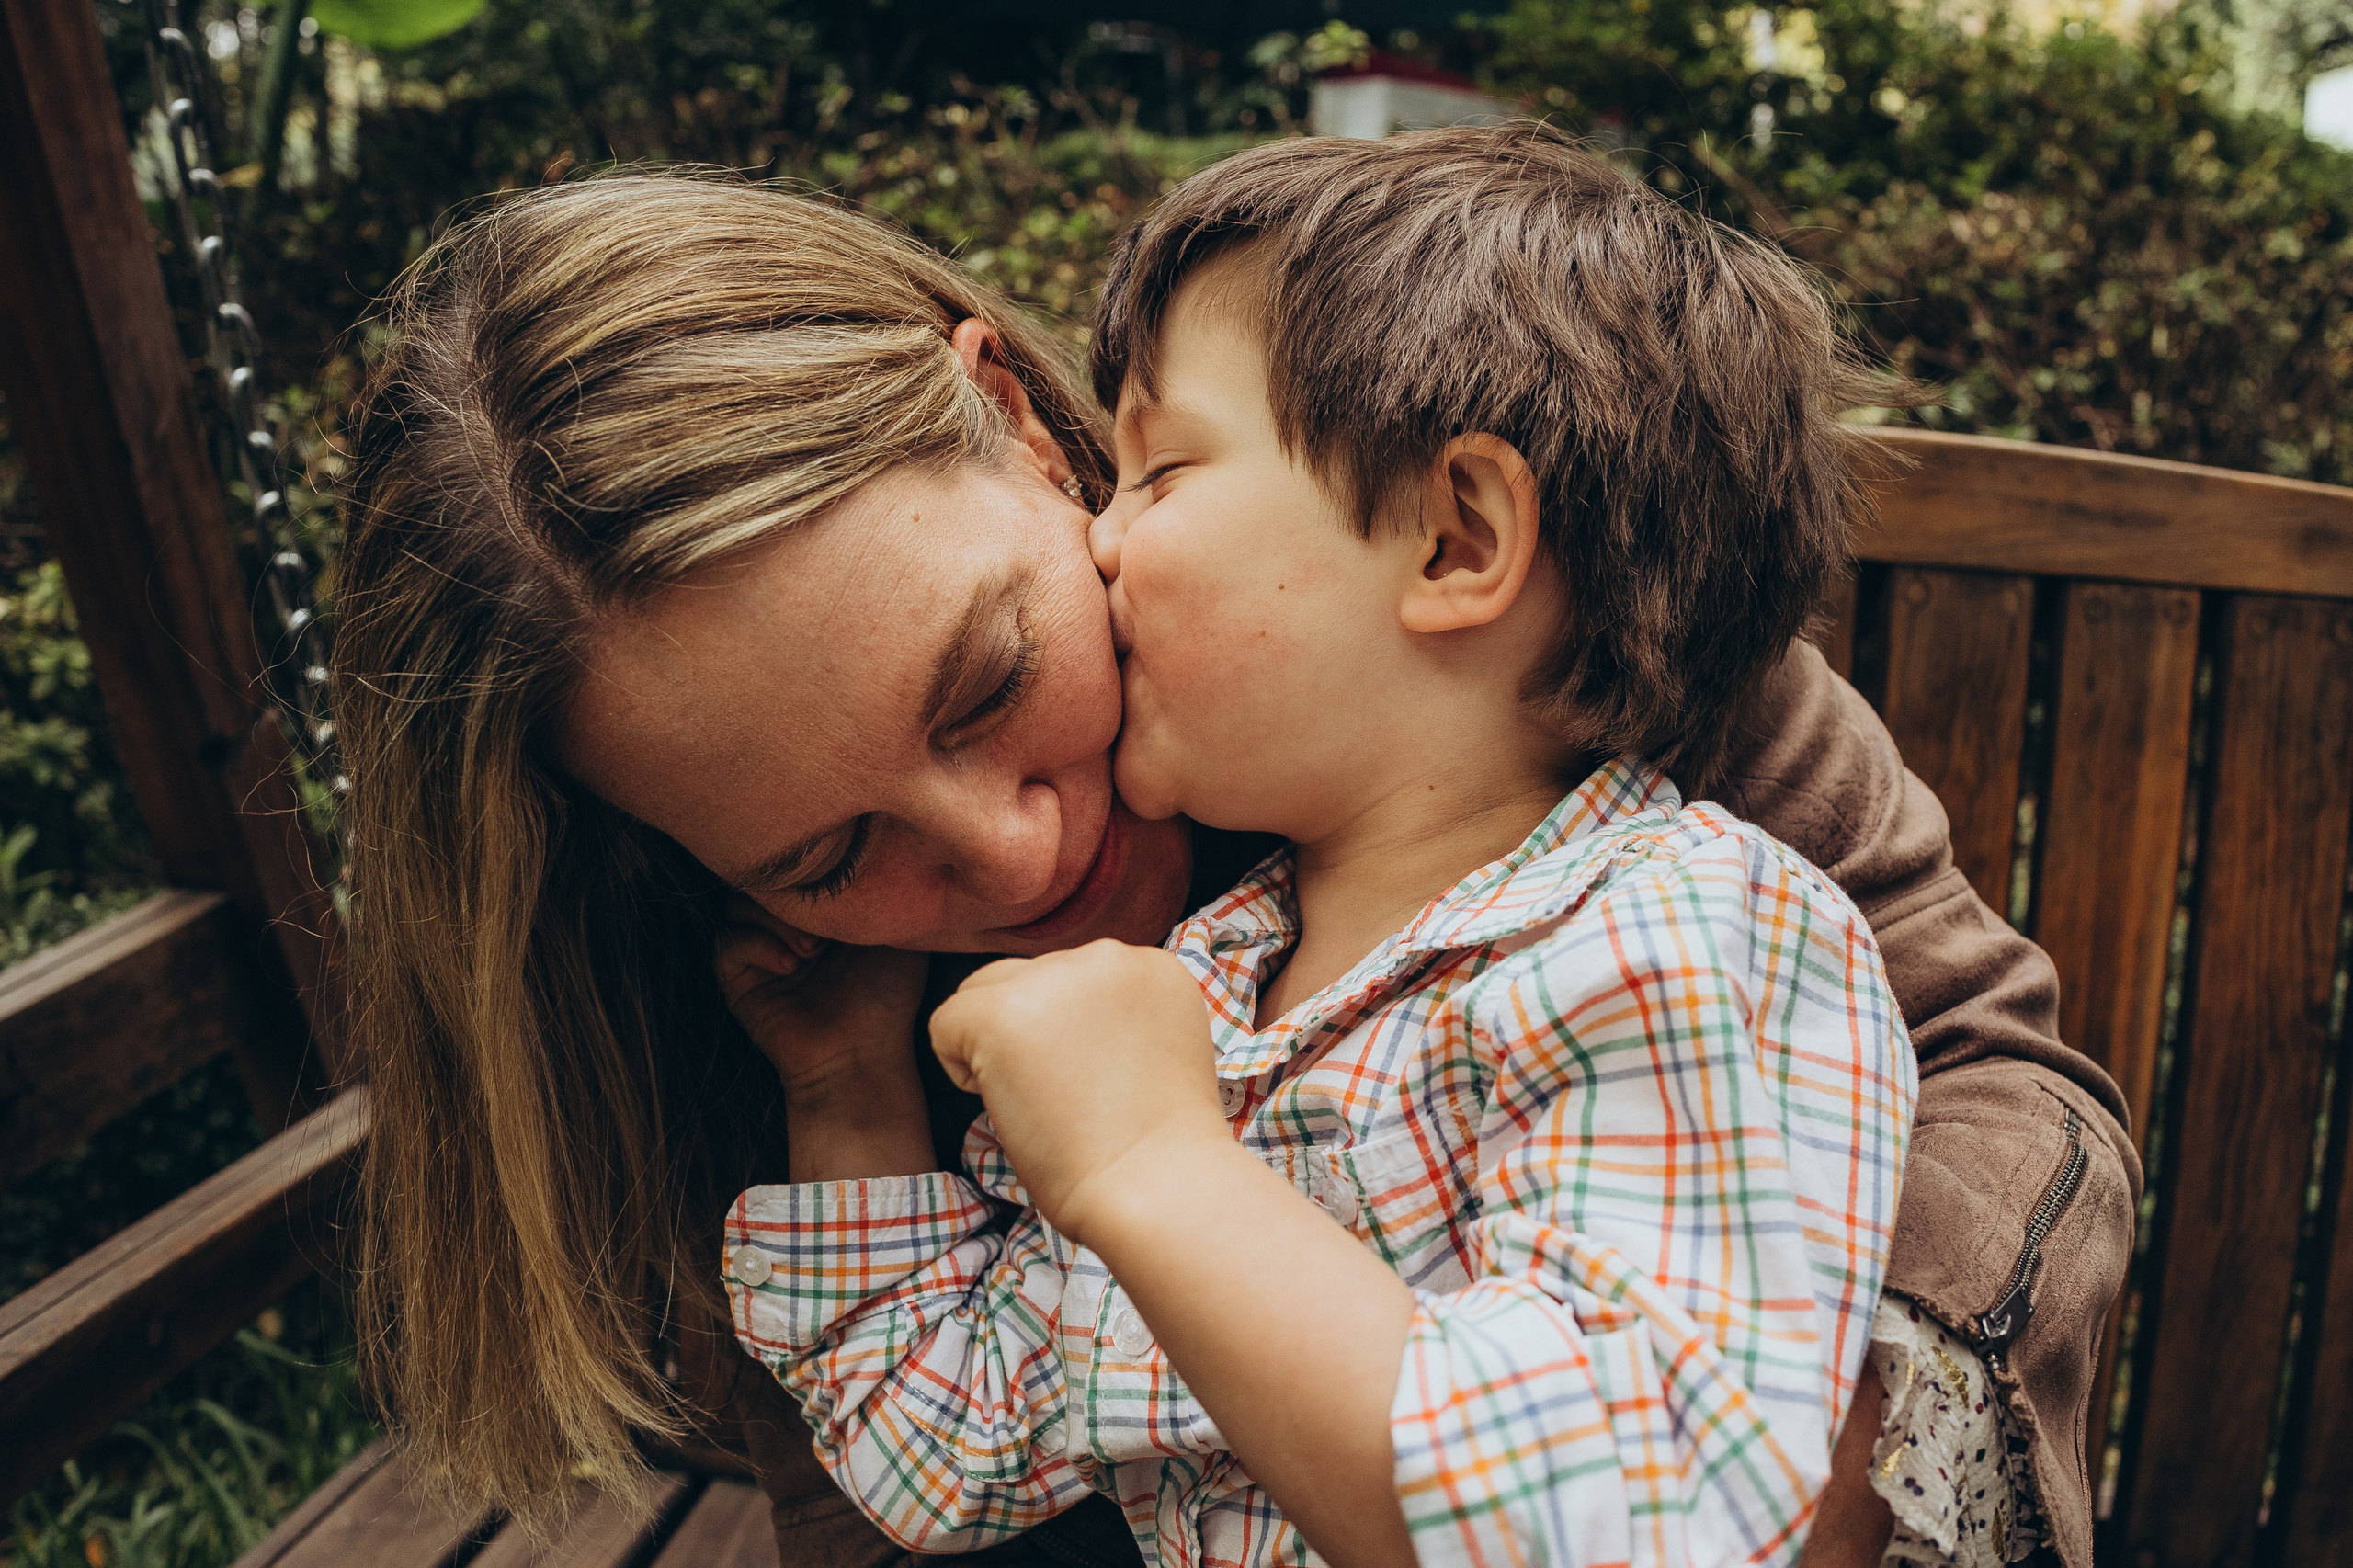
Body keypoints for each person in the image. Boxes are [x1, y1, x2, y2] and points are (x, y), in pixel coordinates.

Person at [332, 165, 2136, 1568]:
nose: (1015, 850)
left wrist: (1843, 1423)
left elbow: (1984, 1075)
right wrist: (850, 1103)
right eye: (832, 849)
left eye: (986, 679)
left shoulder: (1560, 697)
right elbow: (922, 1465)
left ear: (1029, 437)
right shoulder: (833, 985)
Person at [719, 126, 1916, 1568]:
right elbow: (945, 1449)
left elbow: (1644, 1525)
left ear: (1458, 535)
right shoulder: (1212, 991)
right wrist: (848, 1085)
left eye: (1158, 472)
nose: (1097, 540)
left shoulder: (1681, 931)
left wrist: (1157, 1165)